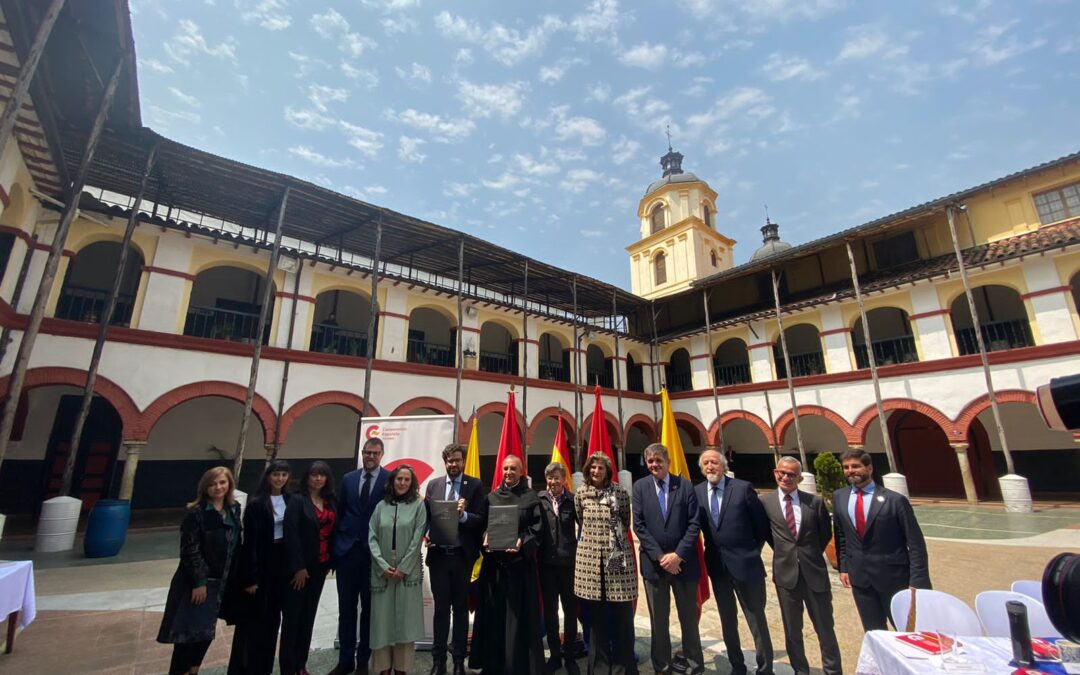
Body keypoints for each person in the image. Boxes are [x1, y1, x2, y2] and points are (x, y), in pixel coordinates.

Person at [157, 466, 242, 675]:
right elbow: (190, 550)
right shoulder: (196, 512)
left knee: (205, 631)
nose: (218, 487)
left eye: (222, 482)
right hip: (200, 583)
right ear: (205, 487)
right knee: (188, 633)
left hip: (222, 580)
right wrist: (199, 582)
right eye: (213, 484)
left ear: (229, 485)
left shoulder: (233, 509)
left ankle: (194, 670)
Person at [695, 449, 773, 675]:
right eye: (706, 463)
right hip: (718, 567)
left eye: (714, 463)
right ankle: (737, 666)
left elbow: (761, 527)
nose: (710, 467)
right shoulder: (698, 491)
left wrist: (749, 552)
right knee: (727, 620)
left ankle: (765, 668)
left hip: (746, 565)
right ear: (702, 468)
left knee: (756, 618)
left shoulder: (742, 488)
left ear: (723, 465)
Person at [761, 457, 842, 675]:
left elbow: (824, 533)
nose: (786, 477)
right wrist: (786, 553)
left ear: (800, 478)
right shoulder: (765, 503)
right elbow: (768, 534)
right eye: (782, 473)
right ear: (775, 473)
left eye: (791, 474)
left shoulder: (813, 502)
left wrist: (807, 553)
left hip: (814, 572)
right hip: (786, 575)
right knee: (792, 629)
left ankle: (833, 671)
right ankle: (800, 670)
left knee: (825, 627)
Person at [833, 449, 930, 631]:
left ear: (869, 469)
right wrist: (844, 567)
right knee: (874, 631)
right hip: (860, 578)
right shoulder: (840, 497)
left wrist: (918, 581)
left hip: (893, 578)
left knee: (906, 630)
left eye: (856, 466)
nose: (850, 471)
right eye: (846, 467)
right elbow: (841, 536)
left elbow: (915, 543)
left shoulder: (894, 500)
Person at [469, 454, 546, 674]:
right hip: (495, 569)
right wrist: (485, 536)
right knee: (494, 616)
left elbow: (538, 530)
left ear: (521, 472)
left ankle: (518, 665)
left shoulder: (531, 498)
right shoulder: (491, 498)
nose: (509, 473)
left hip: (520, 568)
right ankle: (494, 664)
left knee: (519, 618)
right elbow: (482, 526)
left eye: (513, 469)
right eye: (505, 469)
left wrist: (523, 541)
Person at [631, 443, 705, 675]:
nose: (654, 464)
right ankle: (661, 666)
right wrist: (661, 557)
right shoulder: (640, 487)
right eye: (650, 461)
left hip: (684, 565)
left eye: (658, 460)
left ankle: (695, 665)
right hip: (654, 566)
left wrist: (678, 555)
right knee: (659, 621)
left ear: (668, 462)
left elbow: (694, 524)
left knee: (688, 620)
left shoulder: (684, 486)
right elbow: (639, 525)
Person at [424, 444, 485, 675]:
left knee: (460, 609)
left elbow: (481, 519)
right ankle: (438, 661)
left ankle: (459, 660)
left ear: (463, 461)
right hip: (439, 556)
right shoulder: (434, 485)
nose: (454, 464)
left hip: (462, 557)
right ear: (445, 462)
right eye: (450, 461)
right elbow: (427, 518)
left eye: (458, 460)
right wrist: (426, 534)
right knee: (440, 609)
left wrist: (464, 515)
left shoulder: (475, 486)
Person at [574, 452, 638, 675]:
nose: (596, 472)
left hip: (616, 560)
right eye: (592, 468)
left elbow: (625, 521)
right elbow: (580, 519)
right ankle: (599, 667)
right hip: (591, 561)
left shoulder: (620, 493)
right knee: (597, 617)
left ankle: (623, 666)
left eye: (600, 468)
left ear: (608, 471)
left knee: (621, 614)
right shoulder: (581, 494)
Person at [228, 459, 293, 675]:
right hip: (262, 561)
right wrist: (250, 577)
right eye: (276, 474)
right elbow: (251, 543)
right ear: (268, 477)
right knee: (254, 619)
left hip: (281, 562)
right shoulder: (257, 503)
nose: (280, 479)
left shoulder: (291, 500)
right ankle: (246, 667)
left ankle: (264, 666)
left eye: (284, 475)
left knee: (273, 617)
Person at [331, 438, 389, 675]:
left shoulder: (390, 479)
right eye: (367, 452)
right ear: (362, 453)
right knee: (346, 608)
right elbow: (340, 511)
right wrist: (336, 550)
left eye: (375, 453)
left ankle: (363, 659)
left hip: (373, 555)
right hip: (347, 552)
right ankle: (345, 659)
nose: (371, 456)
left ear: (382, 454)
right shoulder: (348, 479)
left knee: (369, 609)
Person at [369, 464, 428, 675]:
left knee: (404, 623)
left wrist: (403, 568)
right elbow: (372, 538)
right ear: (392, 481)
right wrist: (383, 566)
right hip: (382, 572)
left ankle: (401, 669)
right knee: (382, 623)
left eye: (407, 480)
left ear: (412, 484)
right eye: (399, 479)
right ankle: (382, 668)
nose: (402, 483)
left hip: (406, 572)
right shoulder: (380, 507)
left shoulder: (418, 507)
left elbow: (417, 538)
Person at [280, 461, 337, 675]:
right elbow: (291, 533)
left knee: (308, 617)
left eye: (322, 475)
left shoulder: (330, 501)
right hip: (300, 571)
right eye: (314, 475)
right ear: (307, 477)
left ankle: (301, 665)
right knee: (292, 619)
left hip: (320, 567)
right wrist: (298, 567)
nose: (318, 479)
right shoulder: (297, 500)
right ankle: (288, 667)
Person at [537, 462, 581, 675]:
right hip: (546, 565)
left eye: (557, 477)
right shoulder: (539, 500)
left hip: (568, 565)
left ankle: (570, 656)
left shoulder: (573, 501)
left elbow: (585, 528)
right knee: (551, 613)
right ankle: (555, 656)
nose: (553, 482)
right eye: (550, 478)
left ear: (564, 479)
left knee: (570, 612)